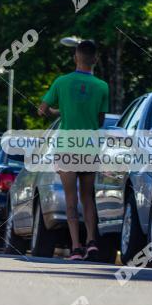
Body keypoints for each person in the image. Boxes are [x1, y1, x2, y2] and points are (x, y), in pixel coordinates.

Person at [38, 39, 109, 261]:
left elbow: (43, 109)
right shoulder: (102, 87)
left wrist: (61, 111)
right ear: (95, 60)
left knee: (70, 198)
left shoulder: (61, 82)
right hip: (89, 146)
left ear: (75, 58)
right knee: (88, 197)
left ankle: (76, 247)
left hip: (67, 146)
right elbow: (100, 119)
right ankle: (91, 241)